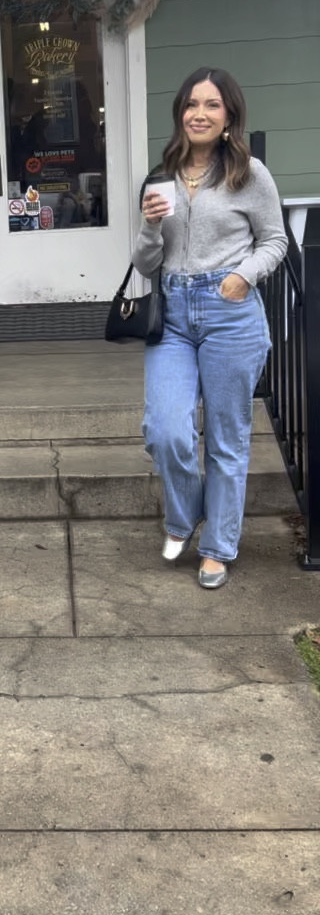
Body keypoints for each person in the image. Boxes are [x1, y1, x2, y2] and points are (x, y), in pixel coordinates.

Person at [132, 67, 287, 589]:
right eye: (191, 104)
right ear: (180, 112)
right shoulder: (162, 175)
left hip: (231, 313)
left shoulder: (250, 174)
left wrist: (244, 276)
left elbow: (275, 240)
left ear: (229, 116)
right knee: (165, 430)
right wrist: (149, 226)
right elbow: (146, 263)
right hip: (173, 314)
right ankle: (186, 513)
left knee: (226, 438)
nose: (199, 113)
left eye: (212, 105)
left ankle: (217, 546)